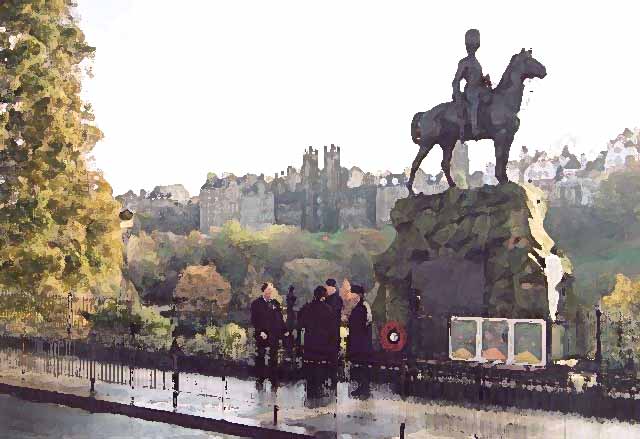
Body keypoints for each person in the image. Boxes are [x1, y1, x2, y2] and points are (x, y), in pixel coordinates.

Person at [452, 29, 491, 138]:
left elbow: (479, 79)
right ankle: (474, 128)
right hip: (471, 90)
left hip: (480, 89)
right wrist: (457, 94)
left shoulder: (476, 62)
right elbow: (456, 80)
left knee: (490, 98)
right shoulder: (464, 62)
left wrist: (485, 79)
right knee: (475, 103)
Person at [250, 282, 287, 367]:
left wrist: (285, 330)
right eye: (269, 289)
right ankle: (261, 377)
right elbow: (254, 320)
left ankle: (272, 377)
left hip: (273, 334)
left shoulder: (275, 303)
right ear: (264, 290)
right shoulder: (256, 303)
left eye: (272, 290)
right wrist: (260, 332)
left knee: (274, 356)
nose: (271, 291)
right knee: (261, 355)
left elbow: (280, 318)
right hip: (261, 333)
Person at [298, 286, 336, 363]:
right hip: (323, 346)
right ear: (324, 297)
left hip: (309, 345)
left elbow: (301, 325)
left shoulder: (306, 308)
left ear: (315, 295)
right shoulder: (328, 309)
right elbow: (332, 330)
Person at [347, 284, 373, 363]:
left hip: (359, 334)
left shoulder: (364, 305)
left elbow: (368, 320)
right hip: (355, 334)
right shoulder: (355, 305)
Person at [324, 279, 343, 357]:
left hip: (328, 322)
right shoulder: (338, 298)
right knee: (335, 338)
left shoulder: (326, 298)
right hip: (335, 321)